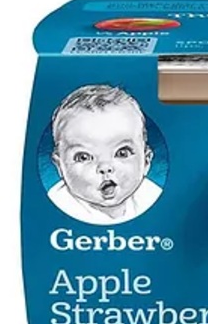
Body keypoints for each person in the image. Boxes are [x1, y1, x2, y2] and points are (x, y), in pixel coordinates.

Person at [47, 84, 162, 224]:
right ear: (60, 166)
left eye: (122, 153)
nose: (105, 167)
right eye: (83, 157)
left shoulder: (150, 196)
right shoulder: (58, 207)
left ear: (146, 161)